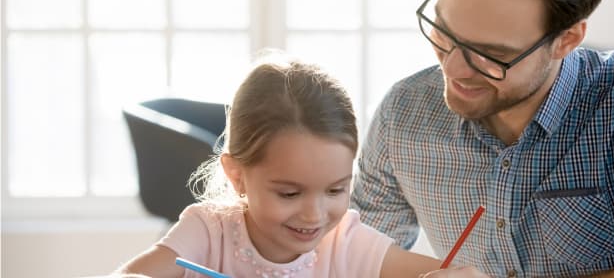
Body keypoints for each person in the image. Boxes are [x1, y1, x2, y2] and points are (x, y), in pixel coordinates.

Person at [350, 0, 614, 277]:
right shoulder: (402, 113)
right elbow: (355, 256)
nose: (452, 68)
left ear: (566, 40)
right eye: (443, 32)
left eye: (489, 53)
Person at [114, 52, 488, 278]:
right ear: (237, 175)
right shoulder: (208, 231)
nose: (314, 215)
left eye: (336, 189)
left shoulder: (345, 241)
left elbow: (433, 272)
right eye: (290, 192)